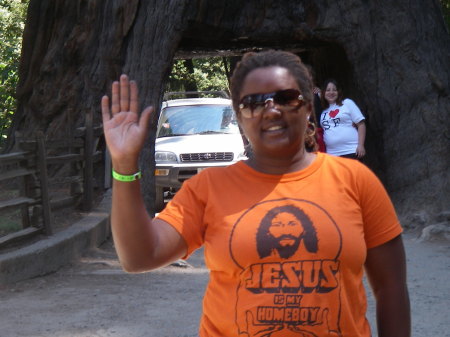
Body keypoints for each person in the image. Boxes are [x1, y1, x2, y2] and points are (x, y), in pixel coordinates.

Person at [101, 50, 410, 337]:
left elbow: (391, 287)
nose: (271, 109)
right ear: (239, 117)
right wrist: (124, 165)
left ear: (307, 107)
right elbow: (140, 256)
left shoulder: (356, 181)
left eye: (286, 98)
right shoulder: (208, 188)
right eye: (254, 102)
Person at [320, 79, 366, 159]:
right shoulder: (323, 111)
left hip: (351, 150)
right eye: (328, 90)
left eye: (334, 90)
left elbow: (361, 124)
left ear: (339, 92)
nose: (331, 93)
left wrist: (361, 145)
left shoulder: (347, 103)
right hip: (332, 154)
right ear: (323, 93)